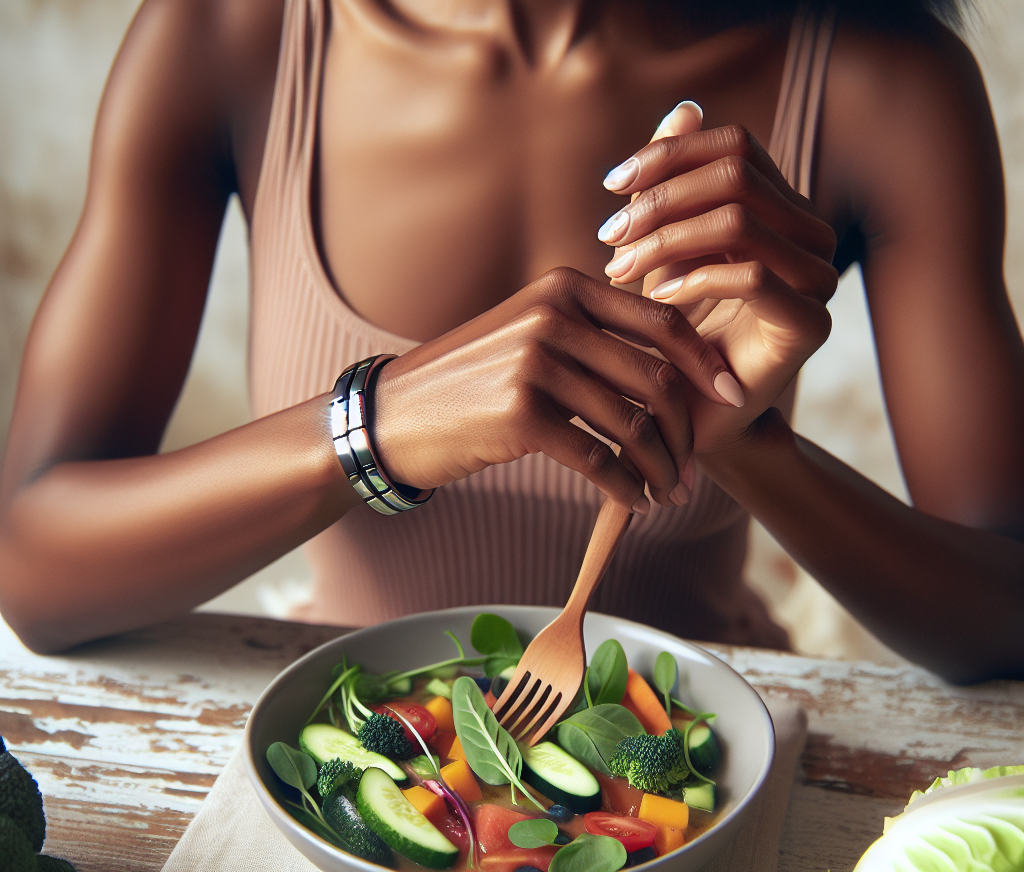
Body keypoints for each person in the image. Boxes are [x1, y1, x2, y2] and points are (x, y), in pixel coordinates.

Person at [0, 0, 1020, 683]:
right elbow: (34, 571)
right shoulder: (236, 28)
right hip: (342, 757)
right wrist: (384, 426)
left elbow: (1005, 615)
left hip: (700, 771)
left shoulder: (884, 82)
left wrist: (738, 441)